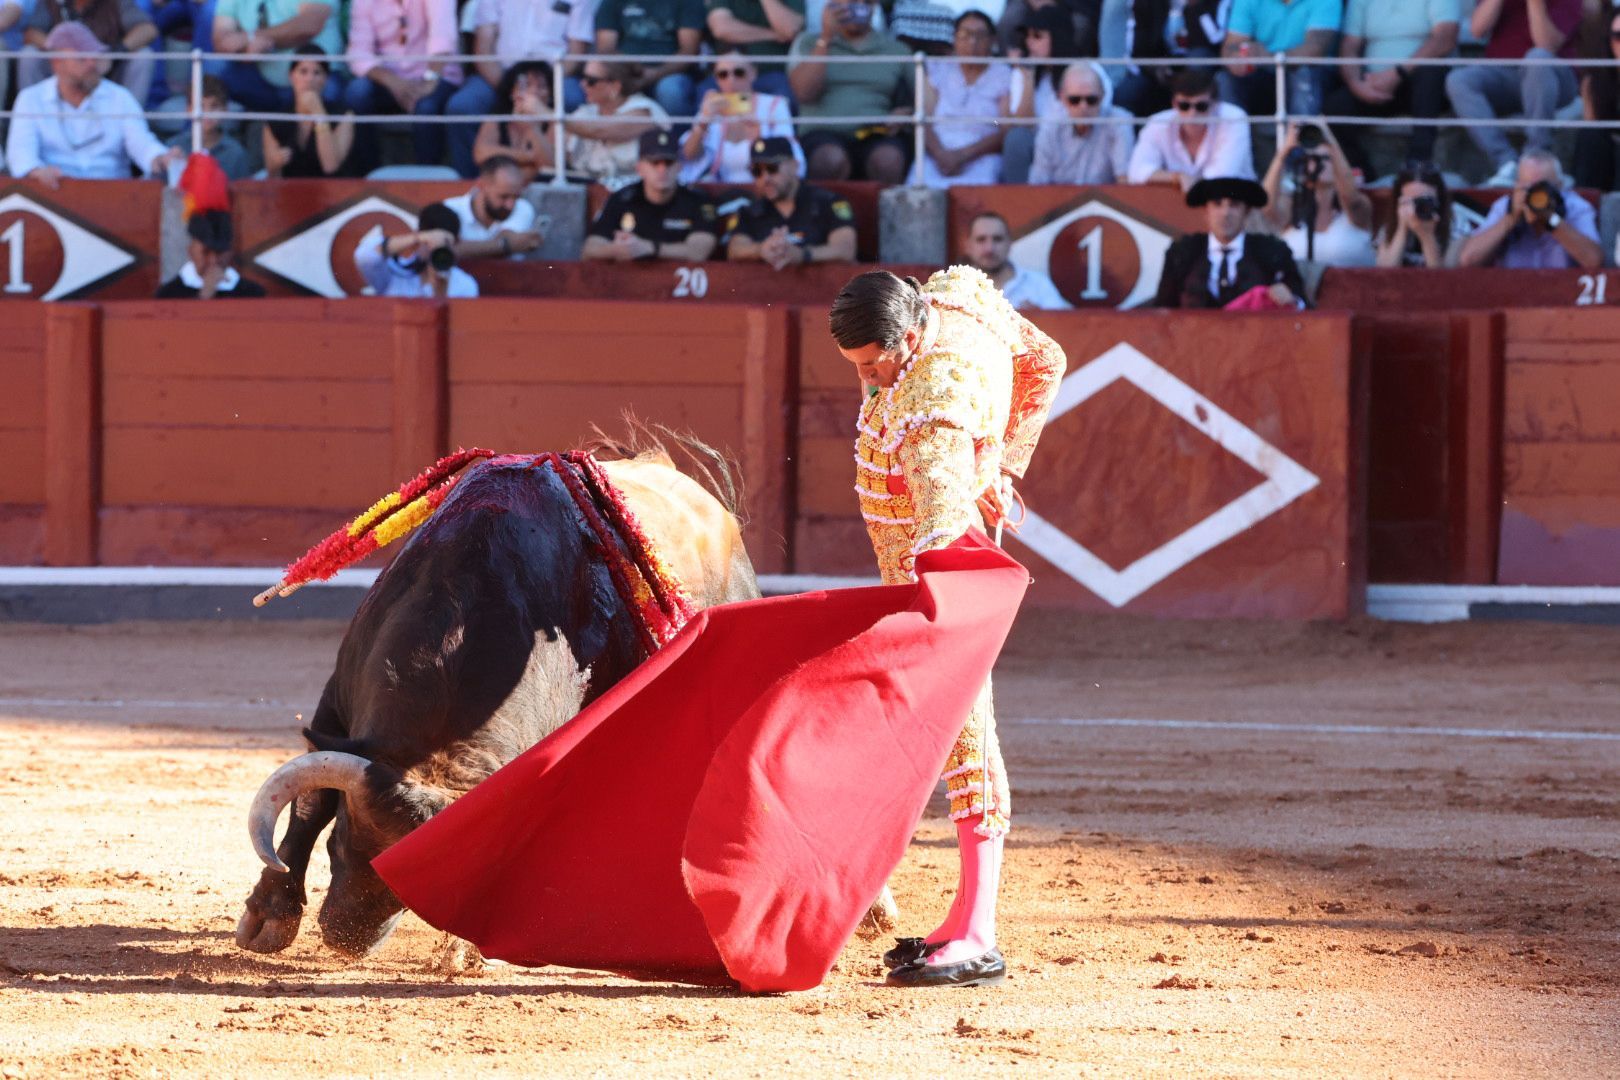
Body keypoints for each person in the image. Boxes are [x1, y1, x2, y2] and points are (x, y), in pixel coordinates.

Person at [827, 265, 1066, 988]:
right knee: (947, 732)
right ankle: (963, 919)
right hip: (922, 571)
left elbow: (937, 526)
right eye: (855, 365)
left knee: (965, 733)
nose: (867, 379)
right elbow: (1046, 359)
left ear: (910, 335)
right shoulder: (952, 298)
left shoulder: (934, 408)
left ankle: (979, 935)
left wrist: (975, 478)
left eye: (874, 363)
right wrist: (1002, 464)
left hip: (936, 583)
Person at [7, 22, 180, 185]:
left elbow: (142, 145)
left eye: (95, 57)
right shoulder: (30, 99)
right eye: (82, 58)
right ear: (57, 63)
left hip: (113, 194)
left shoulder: (120, 97)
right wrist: (36, 172)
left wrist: (161, 158)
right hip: (53, 193)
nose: (92, 65)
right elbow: (21, 156)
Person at [446, 0, 594, 178]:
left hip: (556, 76)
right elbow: (483, 49)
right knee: (462, 106)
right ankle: (469, 182)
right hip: (499, 73)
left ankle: (570, 176)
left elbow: (576, 54)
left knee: (573, 100)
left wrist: (543, 86)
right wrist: (510, 87)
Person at [1445, 0, 1583, 188]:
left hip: (1554, 78)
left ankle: (1535, 158)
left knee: (1537, 58)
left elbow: (1546, 44)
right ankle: (1506, 163)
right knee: (1459, 80)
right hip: (1506, 75)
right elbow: (1477, 30)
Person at [1324, 0, 1457, 179]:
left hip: (1423, 86)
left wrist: (1397, 74)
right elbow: (1349, 46)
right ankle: (1360, 174)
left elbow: (1445, 38)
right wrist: (1357, 85)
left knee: (1430, 72)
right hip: (1375, 86)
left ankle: (1418, 165)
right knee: (1335, 106)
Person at [787, 0, 914, 183]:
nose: (860, 6)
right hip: (823, 132)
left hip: (876, 131)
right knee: (830, 159)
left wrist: (907, 113)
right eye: (852, 2)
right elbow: (804, 93)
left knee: (888, 160)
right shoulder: (808, 42)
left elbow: (923, 99)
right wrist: (825, 39)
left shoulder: (896, 49)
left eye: (866, 2)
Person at [1152, 175, 1306, 308]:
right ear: (1206, 211)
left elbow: (1302, 305)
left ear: (1246, 212)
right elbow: (1163, 309)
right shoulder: (1182, 252)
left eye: (1234, 205)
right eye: (1217, 204)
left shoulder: (1273, 251)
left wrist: (1290, 298)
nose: (1225, 213)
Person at [342, 0, 462, 170]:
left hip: (436, 74)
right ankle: (368, 175)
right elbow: (358, 52)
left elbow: (442, 36)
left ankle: (427, 177)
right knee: (356, 93)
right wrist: (394, 83)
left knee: (426, 107)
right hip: (389, 80)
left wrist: (428, 81)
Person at [584, 130, 720, 261]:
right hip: (632, 276)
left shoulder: (698, 200)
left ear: (679, 167)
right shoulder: (622, 200)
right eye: (654, 163)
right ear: (639, 168)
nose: (662, 170)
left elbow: (699, 252)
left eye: (669, 163)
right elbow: (589, 249)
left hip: (680, 277)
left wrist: (649, 248)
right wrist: (617, 249)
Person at [1457, 148, 1602, 270]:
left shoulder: (1576, 207)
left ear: (1560, 186)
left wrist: (1551, 220)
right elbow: (1468, 260)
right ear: (1517, 185)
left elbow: (1594, 261)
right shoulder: (1505, 206)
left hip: (1563, 292)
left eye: (1543, 188)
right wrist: (1511, 219)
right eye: (1528, 188)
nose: (1534, 195)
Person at [914, 10, 1013, 187]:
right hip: (938, 153)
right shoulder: (939, 70)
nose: (972, 42)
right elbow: (924, 121)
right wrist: (940, 154)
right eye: (965, 35)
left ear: (992, 41)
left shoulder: (1004, 75)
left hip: (982, 154)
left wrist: (963, 155)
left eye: (980, 36)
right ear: (954, 39)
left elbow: (1003, 128)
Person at [726, 135, 856, 269]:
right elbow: (734, 249)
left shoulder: (828, 203)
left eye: (772, 168)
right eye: (757, 171)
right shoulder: (749, 212)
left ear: (794, 166)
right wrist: (761, 249)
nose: (765, 178)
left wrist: (803, 255)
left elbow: (845, 250)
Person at [1258, 122, 1375, 268]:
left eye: (1327, 158)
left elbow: (1351, 199)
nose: (1320, 163)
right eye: (1312, 159)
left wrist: (1331, 143)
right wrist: (1284, 152)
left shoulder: (1358, 209)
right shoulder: (1292, 211)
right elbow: (1266, 204)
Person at [680, 51, 803, 184]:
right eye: (723, 75)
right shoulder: (711, 108)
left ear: (753, 74)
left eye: (739, 73)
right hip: (720, 187)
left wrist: (758, 136)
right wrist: (703, 123)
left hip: (762, 186)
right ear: (716, 80)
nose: (731, 80)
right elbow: (688, 157)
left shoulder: (774, 105)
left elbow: (790, 156)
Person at [1125, 66, 1253, 188]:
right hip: (1176, 198)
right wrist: (1177, 177)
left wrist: (1185, 181)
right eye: (1184, 106)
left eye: (1201, 106)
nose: (1192, 114)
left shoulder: (1233, 118)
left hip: (1232, 199)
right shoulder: (1158, 123)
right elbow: (1136, 172)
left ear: (1215, 104)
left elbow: (1222, 176)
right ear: (1174, 104)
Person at [210, 0, 343, 113]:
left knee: (328, 93)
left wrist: (253, 38)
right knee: (213, 67)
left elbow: (309, 24)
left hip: (314, 80)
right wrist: (246, 51)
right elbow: (222, 38)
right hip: (260, 80)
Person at [19, 0, 155, 107]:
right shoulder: (54, 2)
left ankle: (131, 117)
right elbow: (31, 33)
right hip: (63, 72)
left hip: (105, 70)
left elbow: (147, 29)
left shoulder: (116, 2)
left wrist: (113, 54)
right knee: (30, 54)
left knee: (143, 55)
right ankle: (33, 113)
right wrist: (62, 52)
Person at [1219, 0, 1338, 117]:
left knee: (1304, 73)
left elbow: (1314, 50)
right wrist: (1239, 58)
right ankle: (1233, 129)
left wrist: (1267, 57)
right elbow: (1232, 47)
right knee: (1225, 80)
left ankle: (1300, 129)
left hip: (1310, 74)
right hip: (1264, 74)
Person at [1114, 0, 1230, 118]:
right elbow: (1138, 51)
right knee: (1127, 92)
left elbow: (1216, 38)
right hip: (1159, 68)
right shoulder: (1147, 3)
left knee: (1198, 59)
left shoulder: (1213, 3)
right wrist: (1156, 69)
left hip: (1200, 70)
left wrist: (1197, 8)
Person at [1000, 5, 1077, 182]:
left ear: (1058, 37)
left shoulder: (1087, 71)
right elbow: (1022, 124)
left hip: (1075, 144)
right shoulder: (1022, 72)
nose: (1029, 42)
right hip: (1037, 146)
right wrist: (1028, 76)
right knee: (1016, 139)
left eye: (1037, 36)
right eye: (1027, 36)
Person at [565, 59, 669, 188]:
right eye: (583, 77)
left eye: (591, 81)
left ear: (615, 86)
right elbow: (554, 161)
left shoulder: (644, 110)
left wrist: (554, 117)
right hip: (588, 190)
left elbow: (598, 130)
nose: (582, 84)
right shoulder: (583, 113)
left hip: (634, 190)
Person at [595, 0, 706, 121]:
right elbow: (606, 48)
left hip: (672, 73)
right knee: (598, 83)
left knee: (671, 90)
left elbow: (689, 51)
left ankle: (675, 133)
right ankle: (607, 131)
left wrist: (653, 74)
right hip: (624, 72)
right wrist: (629, 71)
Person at [1029, 60, 1134, 184]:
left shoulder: (1119, 123)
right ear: (1062, 98)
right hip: (1059, 196)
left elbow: (1124, 182)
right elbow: (1039, 183)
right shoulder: (1051, 128)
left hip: (1103, 196)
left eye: (1091, 100)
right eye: (1074, 100)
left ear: (1103, 96)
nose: (1083, 107)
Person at [262, 46, 358, 178]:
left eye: (317, 73)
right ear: (291, 76)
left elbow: (330, 166)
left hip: (333, 189)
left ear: (325, 79)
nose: (310, 79)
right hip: (290, 189)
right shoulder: (276, 120)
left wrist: (319, 114)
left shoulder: (344, 116)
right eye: (303, 72)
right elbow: (273, 180)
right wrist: (274, 166)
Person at [355, 202, 481, 298]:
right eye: (428, 243)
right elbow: (364, 257)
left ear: (456, 243)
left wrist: (440, 288)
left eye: (443, 244)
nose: (433, 249)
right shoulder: (396, 272)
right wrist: (417, 238)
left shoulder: (465, 285)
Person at [443, 155, 544, 262]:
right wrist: (507, 245)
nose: (510, 205)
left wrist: (461, 248)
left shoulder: (522, 207)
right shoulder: (449, 209)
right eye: (504, 197)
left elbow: (506, 238)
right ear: (481, 186)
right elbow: (441, 252)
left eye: (516, 196)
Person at [963, 211, 1070, 309]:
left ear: (1009, 243)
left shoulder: (1038, 284)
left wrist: (1039, 317)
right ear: (968, 246)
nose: (989, 248)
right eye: (981, 240)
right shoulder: (958, 287)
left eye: (998, 239)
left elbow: (1062, 320)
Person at [474, 60, 559, 183]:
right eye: (526, 85)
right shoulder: (497, 119)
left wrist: (531, 129)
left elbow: (548, 166)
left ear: (551, 94)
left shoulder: (556, 123)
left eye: (542, 86)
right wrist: (529, 156)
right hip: (499, 186)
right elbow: (481, 154)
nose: (534, 92)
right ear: (512, 92)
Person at [156, 209, 267, 299]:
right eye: (206, 252)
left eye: (220, 252)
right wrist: (205, 295)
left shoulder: (252, 294)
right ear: (191, 251)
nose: (213, 261)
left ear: (231, 253)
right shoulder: (168, 295)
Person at [163, 75, 252, 180]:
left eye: (214, 106)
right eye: (201, 106)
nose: (207, 113)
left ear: (225, 110)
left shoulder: (236, 153)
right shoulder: (173, 146)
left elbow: (243, 188)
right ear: (189, 109)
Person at [705, 0, 803, 94]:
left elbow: (791, 30)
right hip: (726, 75)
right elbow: (721, 29)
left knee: (785, 94)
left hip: (773, 75)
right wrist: (774, 35)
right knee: (706, 92)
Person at [1574, 2, 1620, 191]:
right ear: (1609, 40)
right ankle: (1585, 197)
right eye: (1618, 36)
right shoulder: (1594, 82)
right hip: (1608, 150)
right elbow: (1592, 130)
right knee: (1590, 136)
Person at [1375, 162, 1456, 268]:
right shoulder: (1390, 226)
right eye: (1410, 201)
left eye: (1426, 201)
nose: (1418, 207)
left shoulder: (1456, 224)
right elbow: (1385, 272)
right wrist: (1402, 228)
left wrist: (1427, 237)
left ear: (1439, 199)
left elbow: (1445, 276)